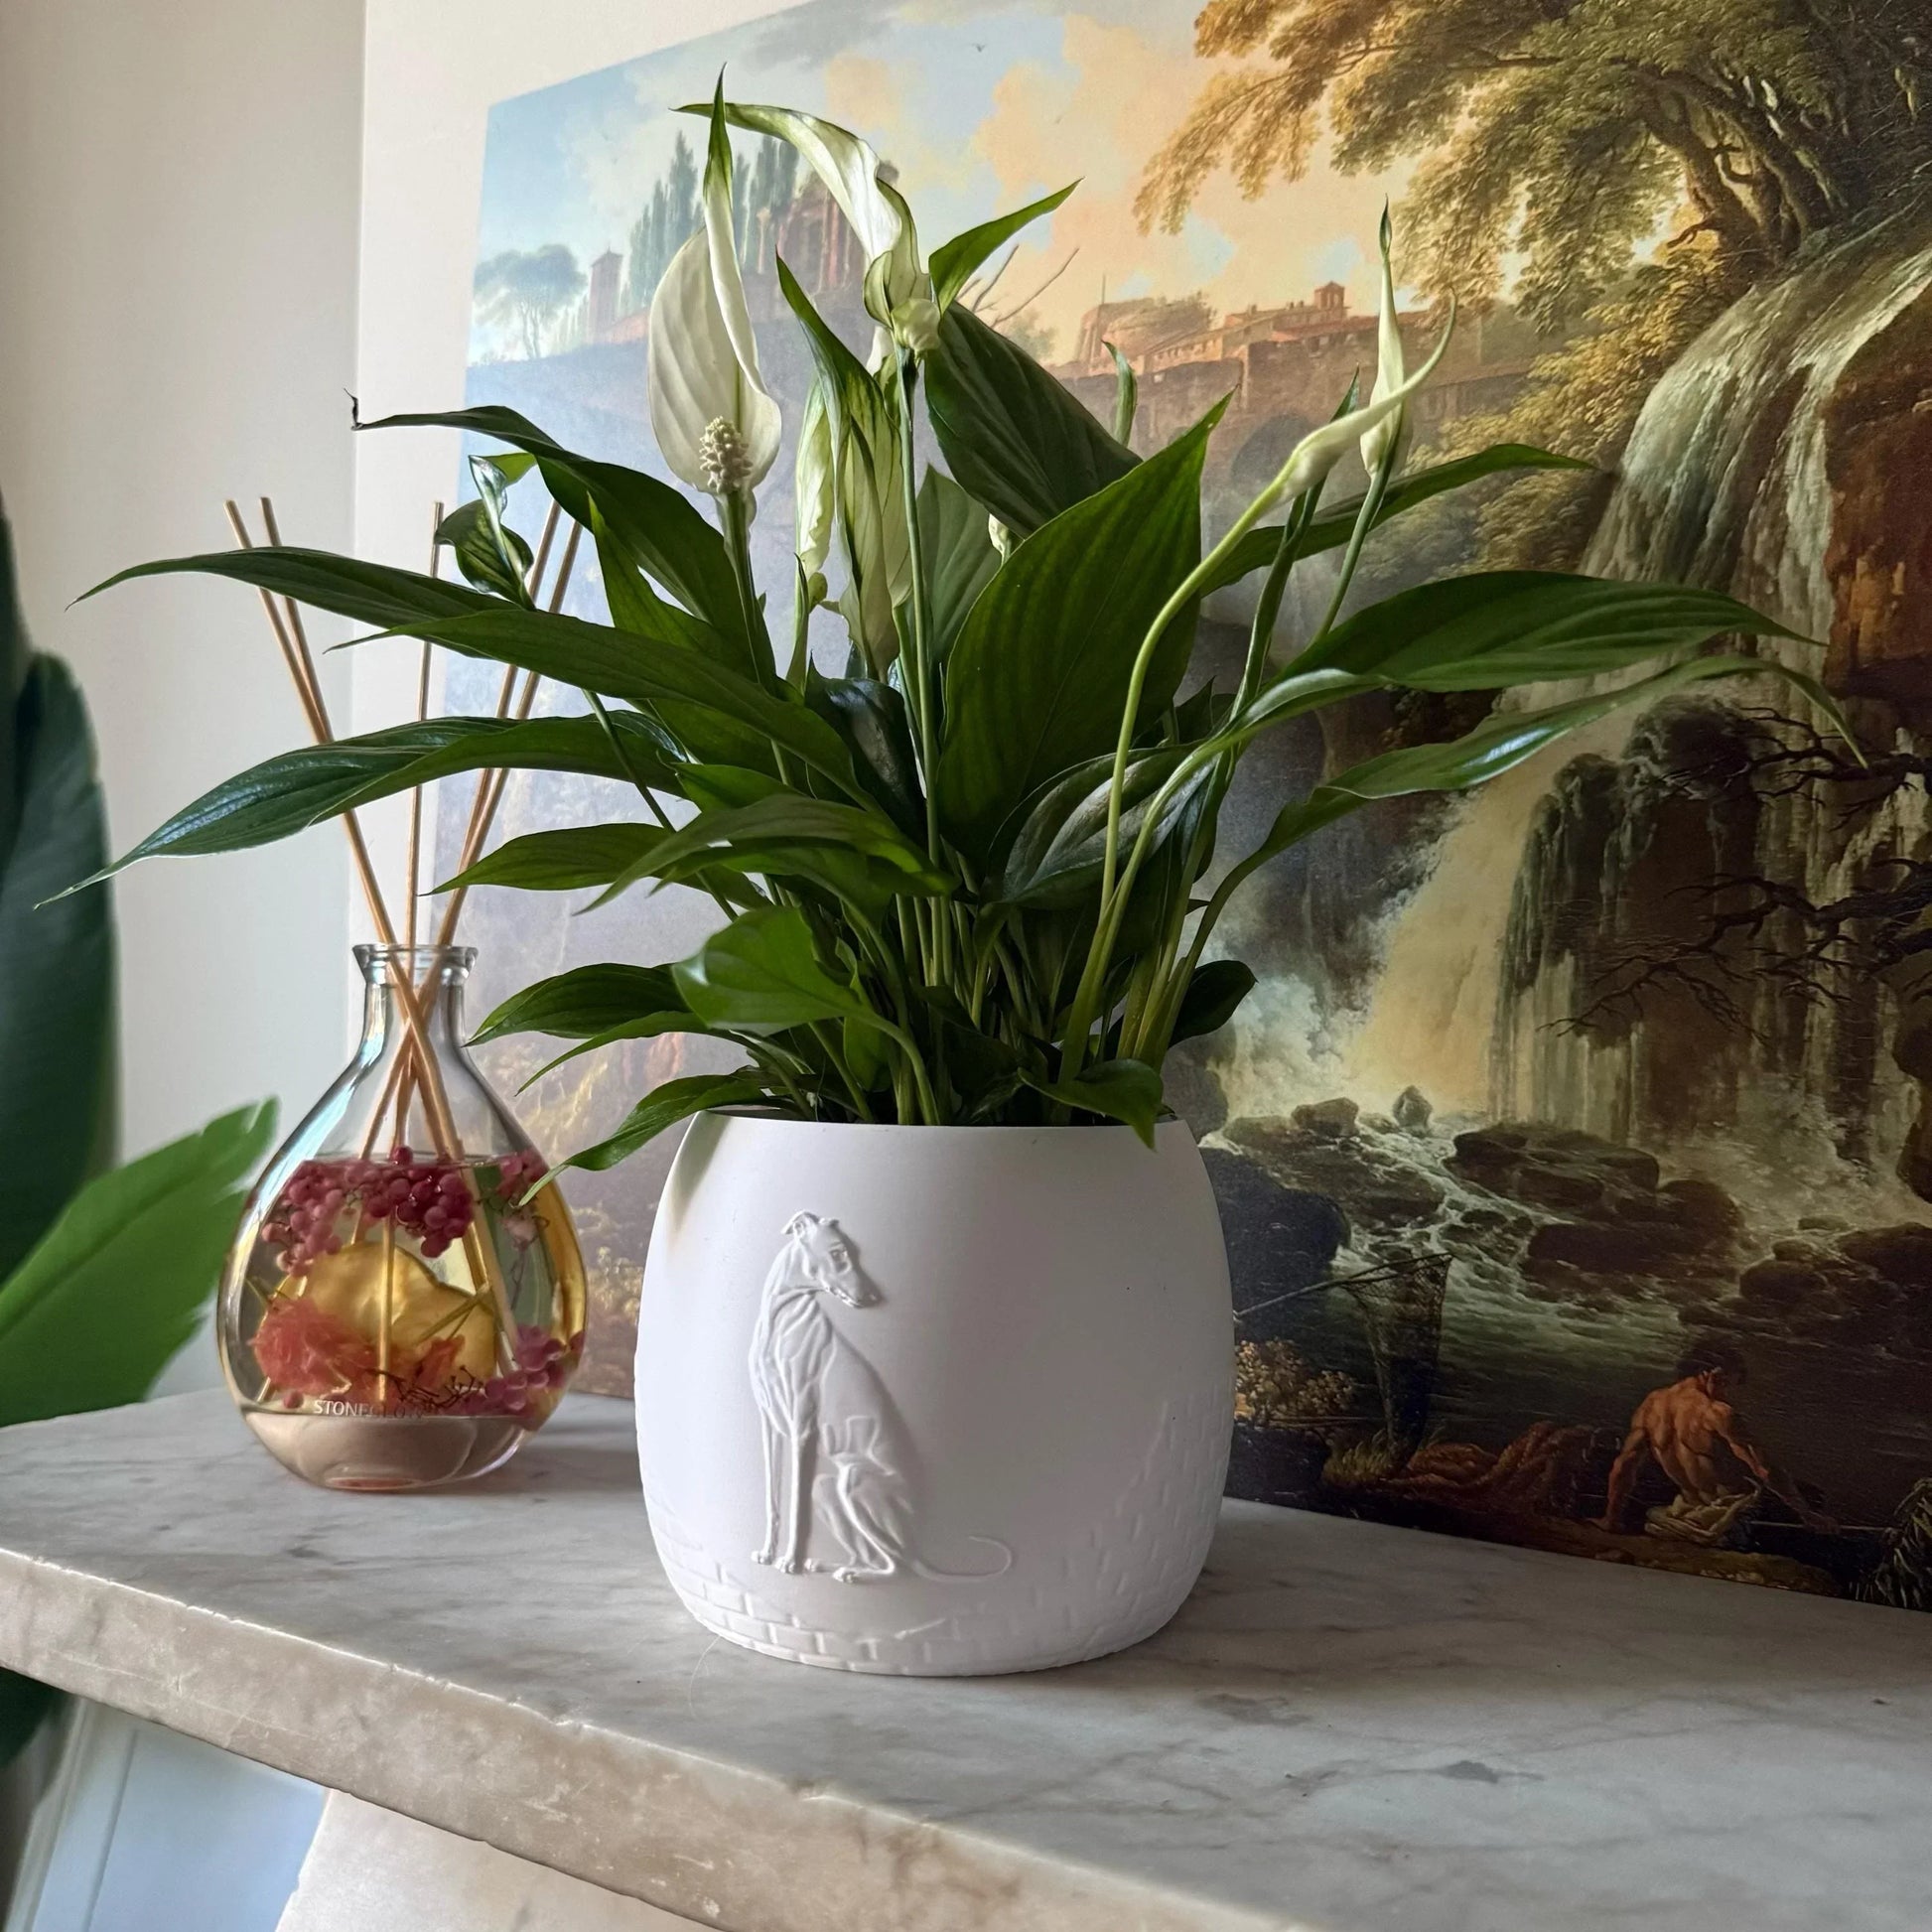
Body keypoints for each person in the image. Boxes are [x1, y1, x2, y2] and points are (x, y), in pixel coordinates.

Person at [1594, 1348, 1835, 1536]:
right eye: (1729, 1383)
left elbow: (1625, 1464)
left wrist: (1611, 1518)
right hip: (1728, 1519)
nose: (1727, 1393)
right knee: (1812, 1495)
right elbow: (1764, 1468)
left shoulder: (1651, 1405)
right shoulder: (1717, 1413)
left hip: (1681, 1514)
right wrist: (1807, 1514)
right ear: (1715, 1373)